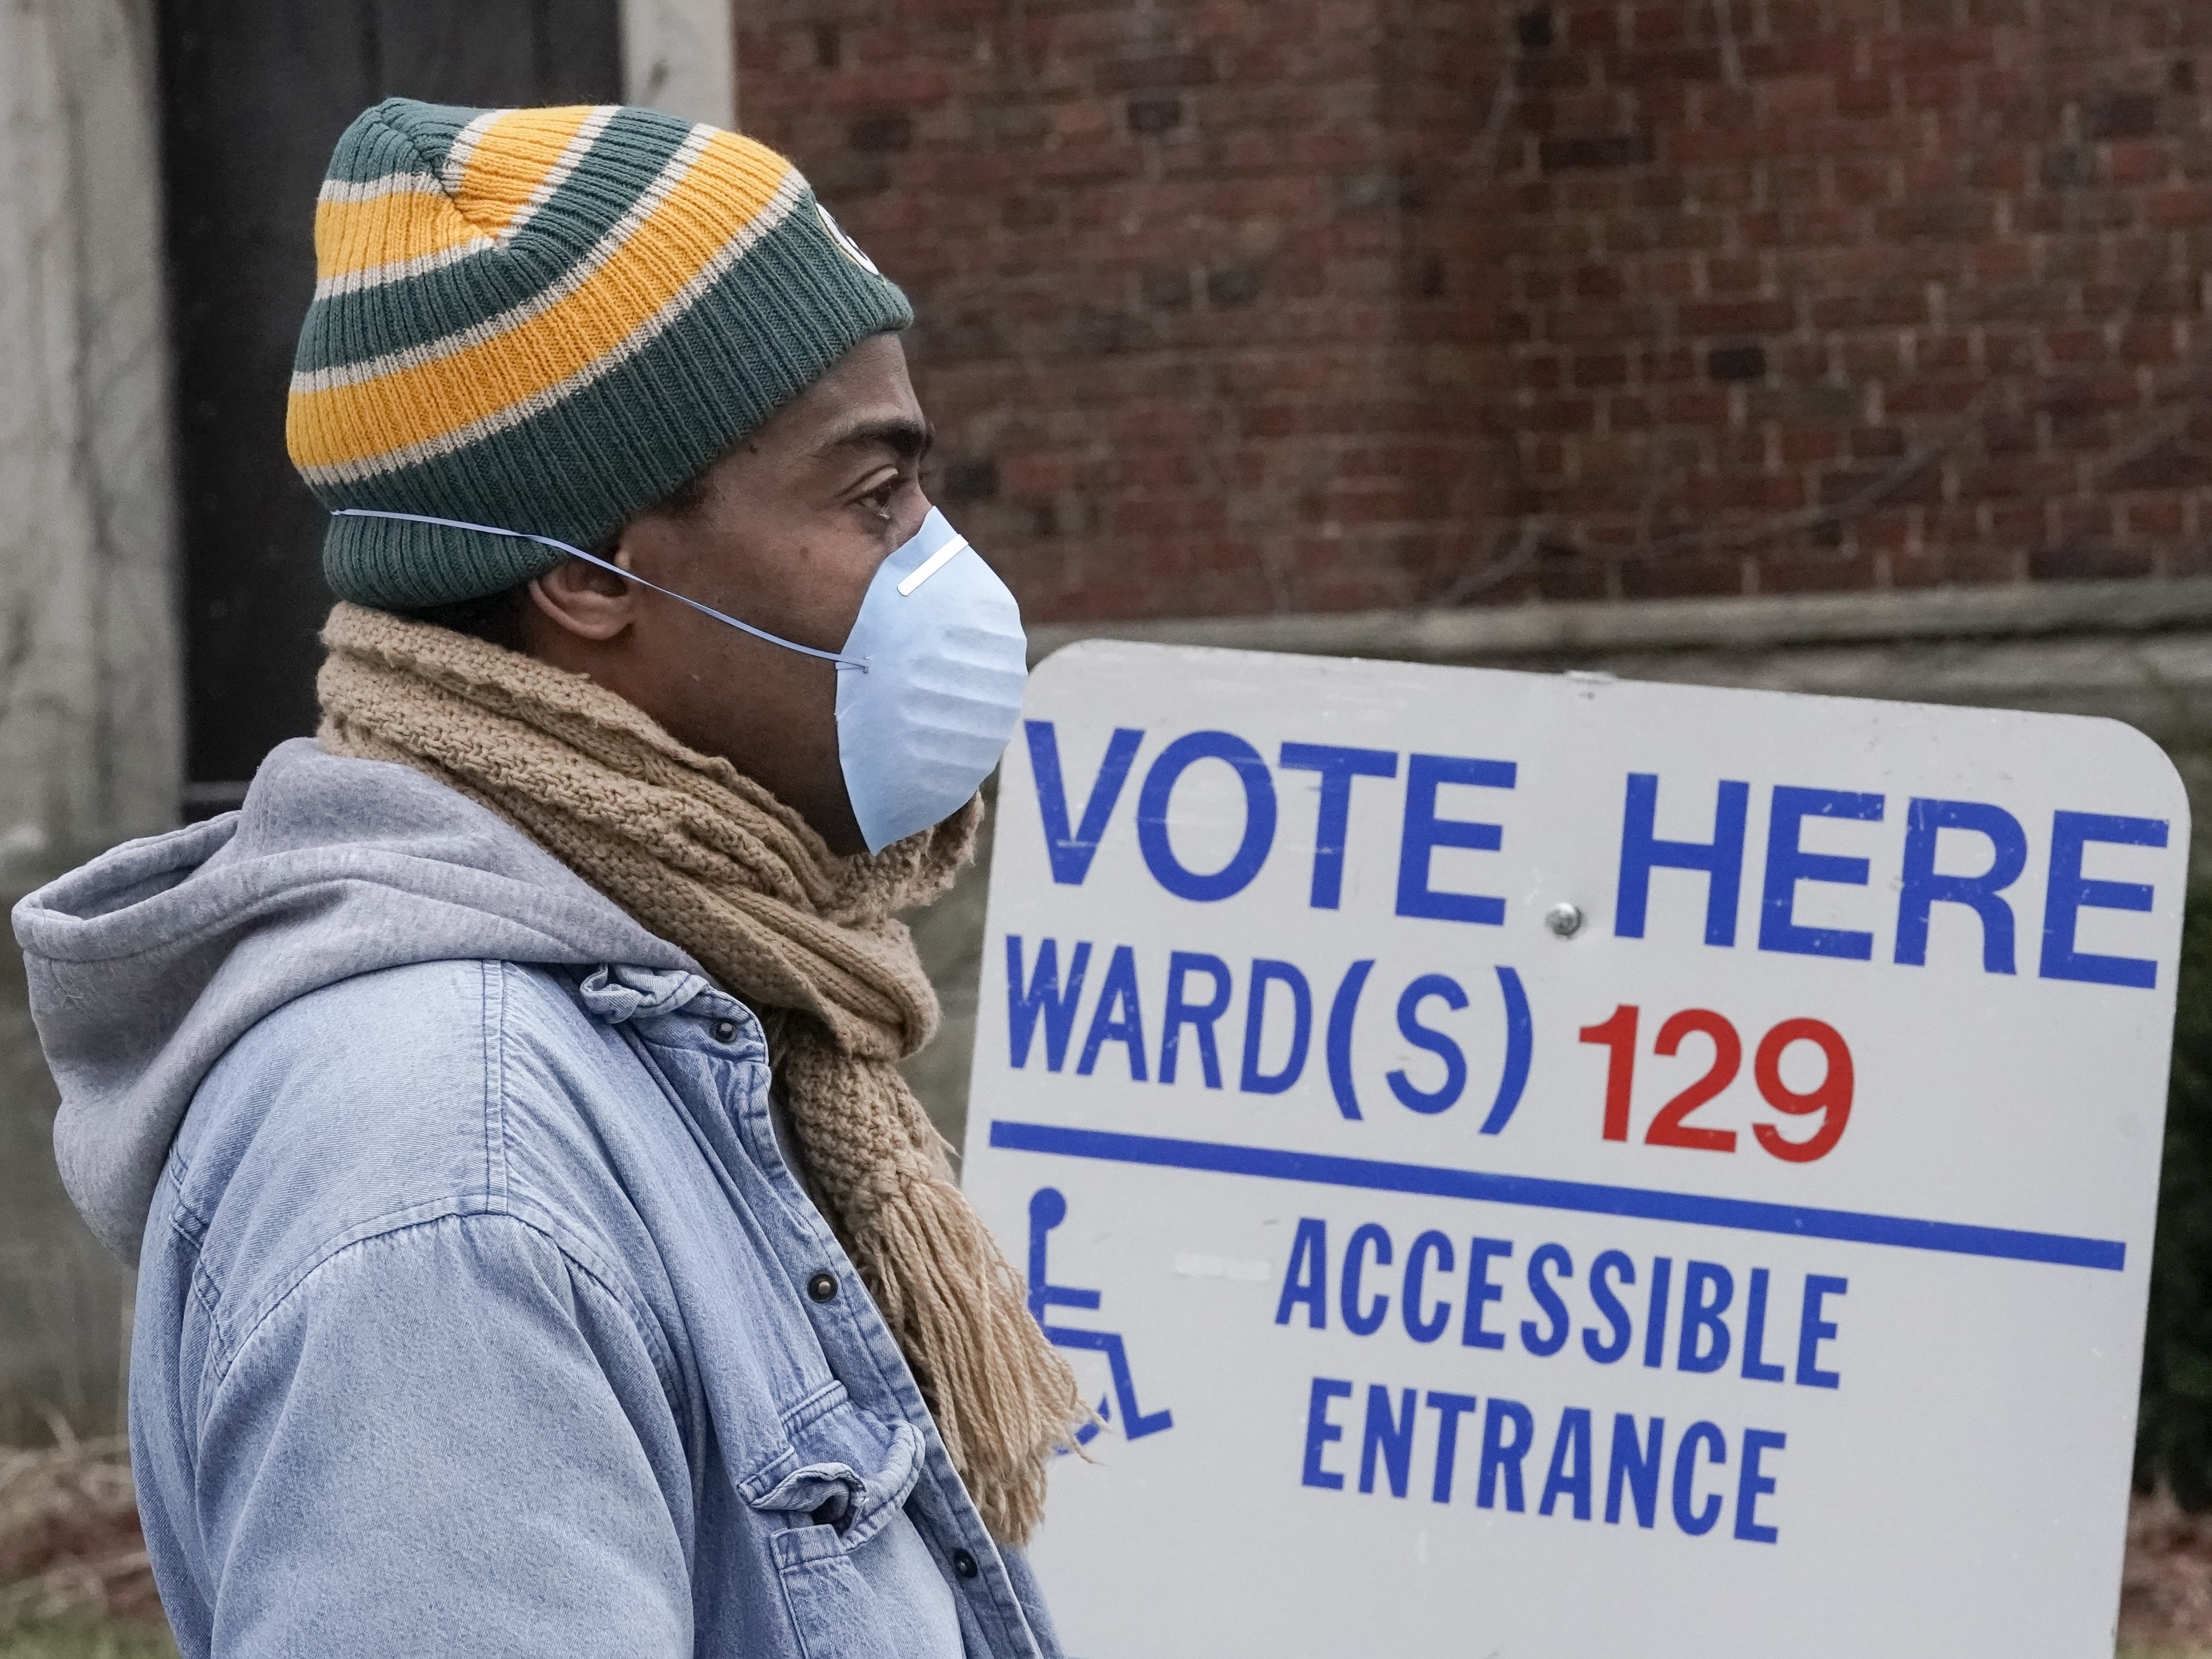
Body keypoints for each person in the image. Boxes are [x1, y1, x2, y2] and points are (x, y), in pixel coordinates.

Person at [15, 98, 1086, 1658]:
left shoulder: (692, 1010)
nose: (943, 562)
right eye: (874, 495)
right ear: (586, 573)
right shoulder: (450, 1169)